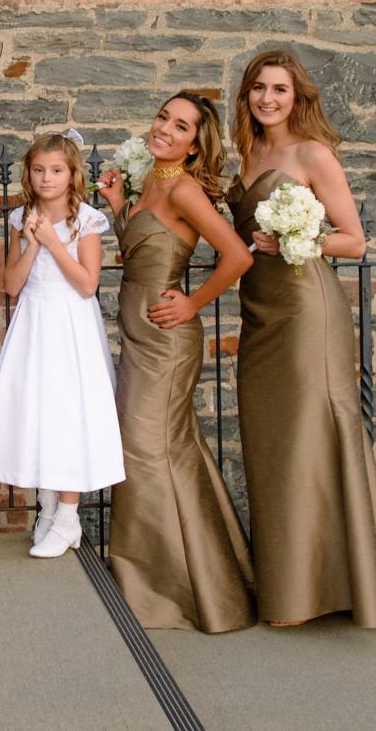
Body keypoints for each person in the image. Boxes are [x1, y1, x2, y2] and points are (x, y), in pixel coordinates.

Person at [226, 50, 376, 628]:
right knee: (271, 445)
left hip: (307, 309)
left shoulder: (313, 154)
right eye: (257, 88)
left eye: (278, 89)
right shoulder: (248, 153)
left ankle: (320, 592)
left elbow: (354, 240)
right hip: (260, 312)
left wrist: (300, 238)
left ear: (297, 96)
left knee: (310, 439)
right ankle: (287, 587)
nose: (267, 98)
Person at [98, 92, 258, 633]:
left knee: (142, 452)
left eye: (180, 125)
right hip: (139, 337)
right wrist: (121, 205)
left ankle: (159, 594)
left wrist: (193, 301)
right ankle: (207, 584)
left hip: (168, 341)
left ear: (195, 144)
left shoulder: (186, 188)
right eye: (164, 117)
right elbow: (141, 251)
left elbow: (237, 256)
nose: (165, 128)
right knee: (166, 453)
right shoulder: (153, 180)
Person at [0, 130, 122, 560]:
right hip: (33, 323)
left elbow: (86, 285)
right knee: (36, 411)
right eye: (39, 170)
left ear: (71, 173)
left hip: (70, 324)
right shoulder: (20, 218)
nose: (46, 178)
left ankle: (68, 517)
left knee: (69, 414)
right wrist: (29, 242)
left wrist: (54, 244)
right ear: (28, 173)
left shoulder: (88, 221)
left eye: (56, 170)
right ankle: (46, 508)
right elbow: (10, 285)